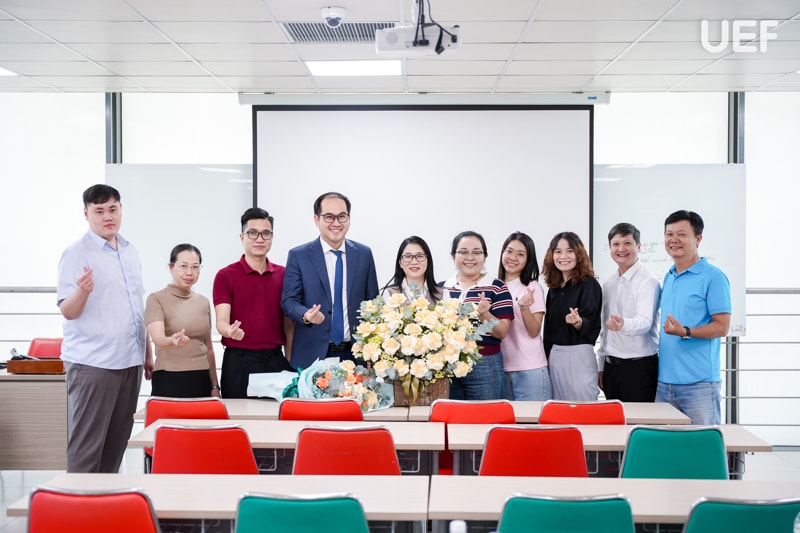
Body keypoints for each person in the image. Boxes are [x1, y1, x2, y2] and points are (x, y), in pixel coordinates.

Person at [57, 184, 149, 473]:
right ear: (86, 214)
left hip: (130, 361)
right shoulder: (76, 254)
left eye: (113, 209)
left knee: (116, 445)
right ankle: (77, 501)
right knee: (87, 447)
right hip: (94, 363)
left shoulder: (130, 250)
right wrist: (82, 292)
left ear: (121, 210)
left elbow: (137, 306)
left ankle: (105, 499)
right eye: (99, 211)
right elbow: (68, 311)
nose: (108, 216)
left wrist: (147, 353)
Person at [281, 192, 379, 370]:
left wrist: (373, 349)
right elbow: (289, 301)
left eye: (342, 216)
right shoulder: (299, 255)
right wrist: (305, 315)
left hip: (355, 355)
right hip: (312, 355)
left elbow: (373, 304)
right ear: (316, 219)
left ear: (349, 218)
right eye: (329, 217)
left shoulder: (364, 254)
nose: (336, 223)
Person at [658, 210, 731, 425]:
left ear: (698, 239)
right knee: (663, 444)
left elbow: (722, 327)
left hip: (699, 385)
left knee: (703, 444)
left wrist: (686, 331)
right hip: (664, 384)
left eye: (681, 234)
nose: (674, 240)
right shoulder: (669, 276)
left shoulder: (714, 277)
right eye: (669, 234)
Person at [213, 207, 293, 398]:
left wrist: (289, 360)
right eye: (252, 233)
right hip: (238, 361)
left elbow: (289, 325)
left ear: (272, 237)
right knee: (237, 415)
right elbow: (221, 321)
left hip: (275, 360)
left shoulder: (284, 274)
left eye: (266, 233)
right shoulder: (225, 275)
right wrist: (229, 331)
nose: (259, 239)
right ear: (242, 237)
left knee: (277, 416)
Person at [441, 231, 514, 400]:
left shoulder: (497, 287)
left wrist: (484, 314)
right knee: (452, 414)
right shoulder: (442, 288)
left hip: (485, 363)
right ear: (453, 256)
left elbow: (502, 332)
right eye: (463, 252)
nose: (470, 257)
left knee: (485, 413)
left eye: (476, 252)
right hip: (448, 364)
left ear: (485, 257)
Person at [144, 243, 220, 398]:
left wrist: (214, 385)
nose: (189, 272)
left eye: (195, 267)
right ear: (171, 267)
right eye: (183, 266)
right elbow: (158, 340)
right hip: (169, 379)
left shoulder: (203, 302)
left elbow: (209, 348)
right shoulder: (156, 299)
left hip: (202, 379)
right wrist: (172, 340)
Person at [597, 223, 661, 402]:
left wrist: (623, 324)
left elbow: (645, 322)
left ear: (638, 246)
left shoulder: (648, 281)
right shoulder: (608, 281)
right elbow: (605, 330)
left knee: (640, 419)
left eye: (627, 243)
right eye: (616, 244)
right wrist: (601, 365)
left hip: (639, 368)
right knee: (615, 419)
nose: (621, 249)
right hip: (611, 368)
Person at [542, 231, 602, 401]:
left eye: (570, 251)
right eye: (558, 251)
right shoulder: (554, 288)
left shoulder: (589, 284)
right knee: (557, 409)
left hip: (578, 355)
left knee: (584, 409)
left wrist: (578, 322)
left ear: (579, 254)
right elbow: (548, 328)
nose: (563, 256)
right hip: (554, 354)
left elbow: (590, 321)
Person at [497, 231, 552, 401]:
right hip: (501, 368)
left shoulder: (532, 287)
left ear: (528, 259)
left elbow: (534, 331)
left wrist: (524, 307)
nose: (513, 258)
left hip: (530, 369)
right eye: (509, 251)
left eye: (521, 254)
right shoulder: (494, 287)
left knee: (533, 418)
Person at [380, 235, 443, 303]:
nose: (414, 262)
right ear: (400, 263)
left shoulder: (442, 293)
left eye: (420, 256)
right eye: (408, 256)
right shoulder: (389, 293)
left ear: (428, 261)